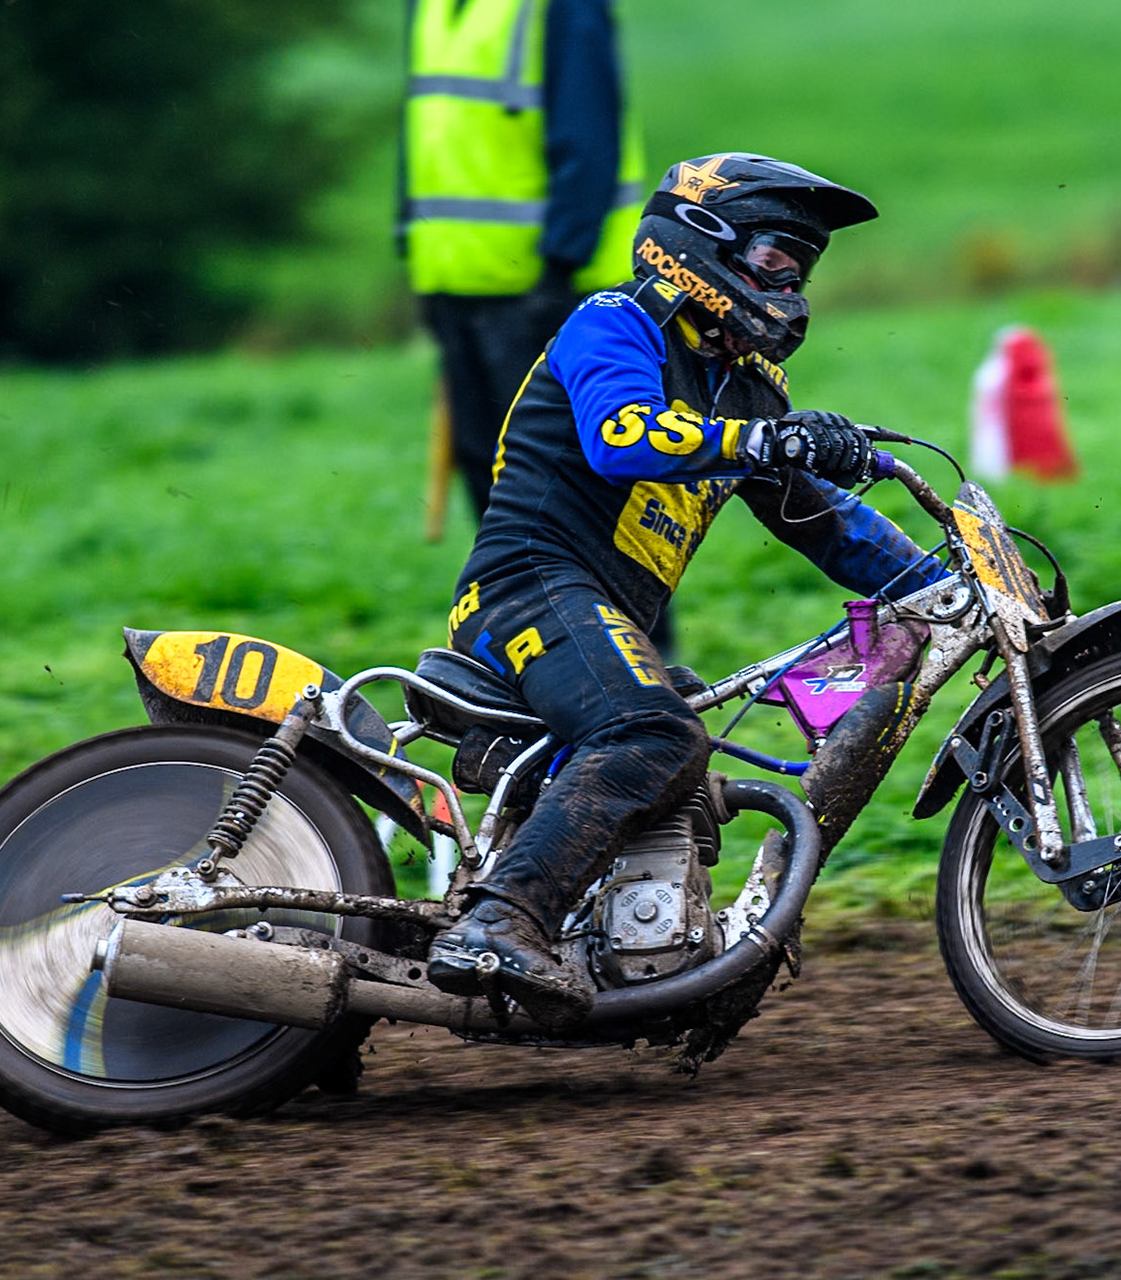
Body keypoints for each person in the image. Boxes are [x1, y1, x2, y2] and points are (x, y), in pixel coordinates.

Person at [424, 154, 952, 1028]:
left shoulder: (747, 385)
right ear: (702, 244)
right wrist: (769, 443)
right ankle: (496, 922)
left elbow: (823, 523)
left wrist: (958, 586)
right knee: (654, 730)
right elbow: (622, 437)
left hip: (599, 617)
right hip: (525, 590)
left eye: (803, 268)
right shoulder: (616, 320)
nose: (793, 284)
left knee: (684, 760)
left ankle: (617, 947)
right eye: (779, 259)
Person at [401, 0, 643, 520]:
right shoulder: (431, 7)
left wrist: (559, 268)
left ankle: (615, 605)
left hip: (544, 288)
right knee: (490, 479)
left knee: (569, 484)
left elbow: (589, 142)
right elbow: (426, 131)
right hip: (453, 279)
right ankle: (509, 602)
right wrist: (415, 251)